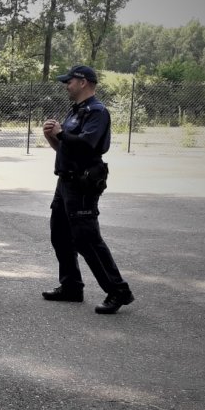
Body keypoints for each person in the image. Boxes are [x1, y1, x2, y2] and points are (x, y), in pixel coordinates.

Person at [41, 65, 134, 314]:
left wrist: (61, 133)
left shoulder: (97, 112)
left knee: (87, 240)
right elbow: (66, 148)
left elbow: (87, 145)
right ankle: (71, 286)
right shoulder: (77, 111)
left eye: (69, 81)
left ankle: (118, 291)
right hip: (65, 183)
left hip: (82, 184)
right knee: (60, 235)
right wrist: (52, 136)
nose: (66, 85)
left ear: (83, 82)